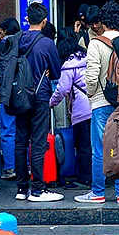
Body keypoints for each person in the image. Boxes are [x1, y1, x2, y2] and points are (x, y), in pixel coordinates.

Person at [77, 0, 119, 204]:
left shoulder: (96, 43)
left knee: (100, 148)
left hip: (101, 102)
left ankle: (98, 191)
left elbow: (90, 77)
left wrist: (91, 94)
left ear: (104, 21)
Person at [15, 2, 64, 202]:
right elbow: (57, 72)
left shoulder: (15, 40)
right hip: (39, 95)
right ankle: (37, 189)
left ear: (27, 19)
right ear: (44, 21)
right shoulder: (46, 43)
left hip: (17, 96)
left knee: (20, 141)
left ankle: (21, 188)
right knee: (38, 141)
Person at [50, 27, 92, 190]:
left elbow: (63, 90)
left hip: (81, 110)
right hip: (95, 106)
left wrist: (51, 102)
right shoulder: (87, 59)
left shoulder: (68, 65)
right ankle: (97, 176)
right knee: (94, 145)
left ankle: (85, 177)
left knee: (83, 146)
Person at [0, 18, 21, 180]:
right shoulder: (23, 45)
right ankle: (24, 166)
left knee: (7, 130)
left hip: (6, 94)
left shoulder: (0, 48)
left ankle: (10, 167)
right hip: (23, 94)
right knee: (23, 131)